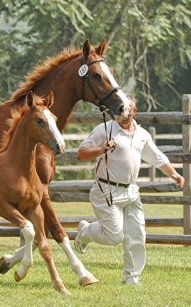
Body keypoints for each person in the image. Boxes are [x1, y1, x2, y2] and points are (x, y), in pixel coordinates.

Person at [74, 96, 185, 285]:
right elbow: (81, 153)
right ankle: (85, 231)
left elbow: (157, 157)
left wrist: (174, 174)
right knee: (114, 236)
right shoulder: (104, 129)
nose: (122, 114)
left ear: (134, 111)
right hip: (106, 190)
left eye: (126, 110)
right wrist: (102, 149)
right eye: (118, 110)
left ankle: (131, 277)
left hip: (131, 192)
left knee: (137, 234)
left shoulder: (142, 134)